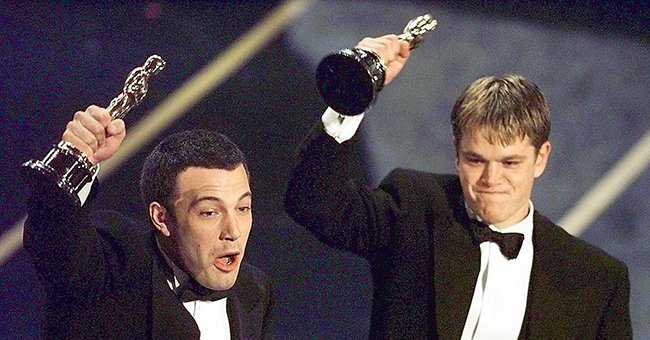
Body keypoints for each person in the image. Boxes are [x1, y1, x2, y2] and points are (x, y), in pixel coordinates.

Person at [284, 35, 632, 339]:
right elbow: (312, 201)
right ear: (456, 154)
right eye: (476, 160)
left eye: (510, 163)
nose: (491, 179)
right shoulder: (414, 211)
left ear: (540, 158)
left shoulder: (594, 280)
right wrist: (352, 90)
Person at [23, 106, 274, 339]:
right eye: (209, 212)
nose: (233, 231)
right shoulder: (116, 266)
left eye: (242, 208)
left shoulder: (254, 290)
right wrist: (72, 163)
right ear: (161, 218)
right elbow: (55, 240)